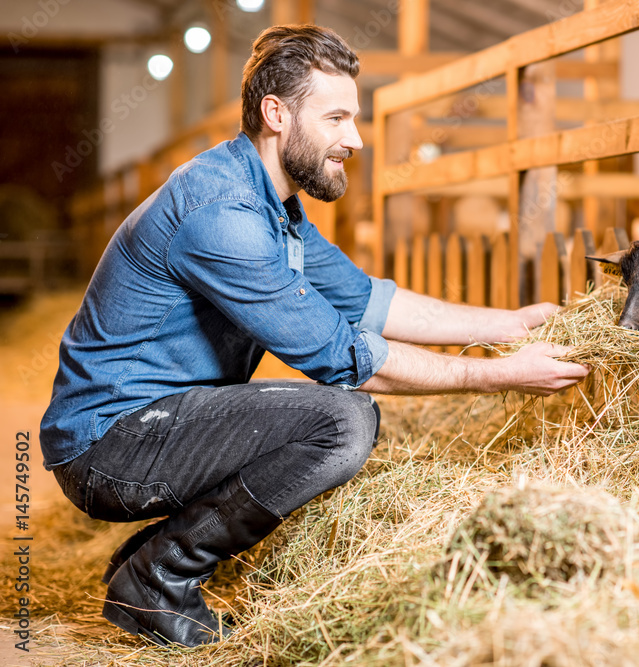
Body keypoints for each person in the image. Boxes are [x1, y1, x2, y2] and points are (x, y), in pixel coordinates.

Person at [40, 24, 589, 648]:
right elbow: (344, 358)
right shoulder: (224, 216)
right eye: (335, 118)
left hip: (150, 426)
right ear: (276, 115)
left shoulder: (274, 206)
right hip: (111, 444)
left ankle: (148, 562)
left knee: (331, 415)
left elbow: (368, 301)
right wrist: (499, 376)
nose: (353, 139)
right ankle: (161, 576)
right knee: (341, 422)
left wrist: (508, 324)